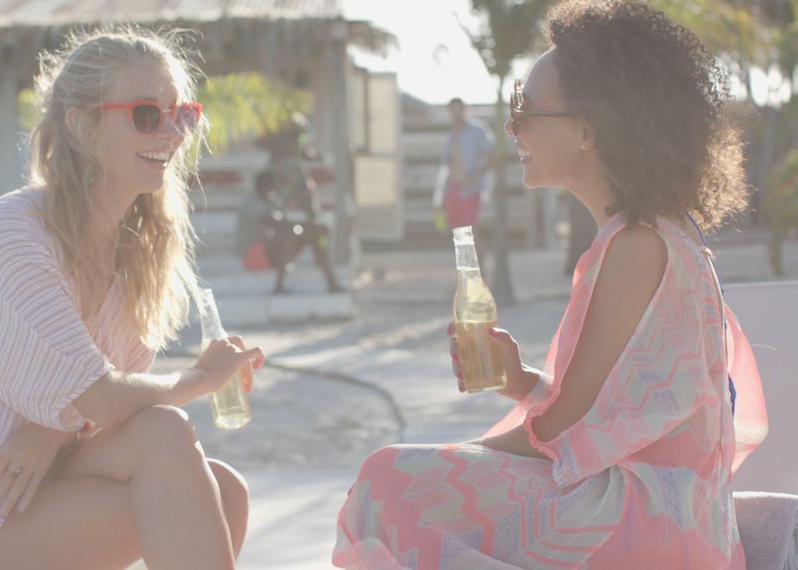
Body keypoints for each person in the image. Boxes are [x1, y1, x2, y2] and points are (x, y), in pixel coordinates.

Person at [333, 2, 768, 568]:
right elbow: (611, 413)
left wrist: (459, 454)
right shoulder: (661, 235)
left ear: (588, 129)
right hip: (674, 522)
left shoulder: (635, 247)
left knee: (386, 479)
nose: (512, 126)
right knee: (400, 477)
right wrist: (521, 382)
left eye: (526, 108)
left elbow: (567, 431)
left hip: (651, 525)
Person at [0, 28, 265, 570]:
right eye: (145, 114)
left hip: (48, 484)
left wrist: (52, 429)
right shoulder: (17, 232)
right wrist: (202, 379)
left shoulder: (137, 251)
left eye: (181, 114)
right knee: (177, 460)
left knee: (224, 488)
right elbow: (108, 398)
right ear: (83, 124)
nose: (170, 131)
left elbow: (100, 406)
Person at [259, 116, 344, 294]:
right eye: (294, 138)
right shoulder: (273, 176)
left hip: (297, 230)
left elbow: (313, 213)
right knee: (291, 234)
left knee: (316, 236)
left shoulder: (300, 177)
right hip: (276, 239)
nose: (297, 143)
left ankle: (331, 282)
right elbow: (270, 215)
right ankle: (279, 285)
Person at [434, 97, 495, 267]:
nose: (456, 114)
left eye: (458, 110)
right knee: (459, 237)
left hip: (471, 190)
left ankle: (483, 275)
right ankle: (466, 279)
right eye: (452, 111)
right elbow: (446, 165)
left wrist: (473, 179)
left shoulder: (478, 130)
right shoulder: (452, 134)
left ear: (464, 109)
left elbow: (490, 157)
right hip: (453, 190)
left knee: (473, 234)